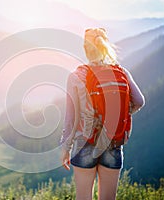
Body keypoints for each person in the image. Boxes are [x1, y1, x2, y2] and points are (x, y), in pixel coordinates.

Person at [60, 28, 145, 200]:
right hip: (113, 143)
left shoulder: (76, 76)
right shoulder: (121, 72)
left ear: (85, 48)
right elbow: (139, 101)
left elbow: (70, 119)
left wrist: (65, 149)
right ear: (105, 46)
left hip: (85, 144)